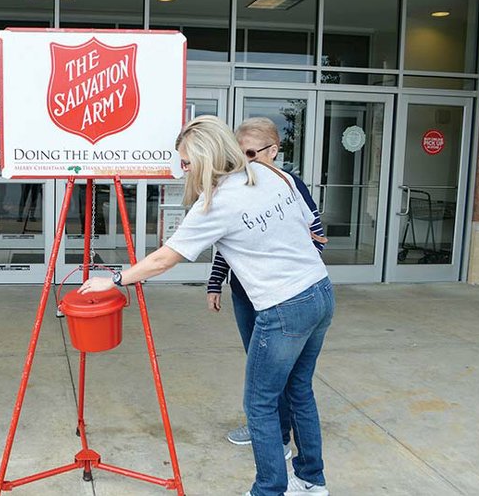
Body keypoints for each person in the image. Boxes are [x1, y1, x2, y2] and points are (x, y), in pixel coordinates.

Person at [79, 115, 334, 496]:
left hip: (284, 307)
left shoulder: (215, 202)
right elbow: (305, 230)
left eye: (185, 162)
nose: (182, 170)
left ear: (205, 158)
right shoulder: (272, 176)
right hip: (320, 292)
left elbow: (164, 259)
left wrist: (114, 278)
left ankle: (268, 490)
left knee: (260, 404)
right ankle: (312, 480)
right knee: (299, 389)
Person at [207, 117, 326, 458]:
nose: (242, 161)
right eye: (238, 153)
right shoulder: (236, 188)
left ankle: (280, 436)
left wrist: (284, 272)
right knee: (263, 368)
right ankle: (273, 430)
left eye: (249, 153)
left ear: (273, 151)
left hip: (283, 298)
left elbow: (315, 235)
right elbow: (229, 243)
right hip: (246, 295)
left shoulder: (289, 185)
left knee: (285, 376)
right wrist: (216, 282)